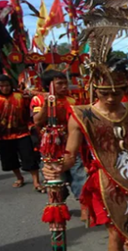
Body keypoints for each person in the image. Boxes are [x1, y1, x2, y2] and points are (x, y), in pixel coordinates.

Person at [43, 58, 128, 251]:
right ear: (95, 90)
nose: (110, 98)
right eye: (104, 93)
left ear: (124, 90)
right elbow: (70, 154)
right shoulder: (82, 115)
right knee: (115, 234)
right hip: (107, 182)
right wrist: (57, 166)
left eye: (116, 93)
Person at [31, 70, 86, 202]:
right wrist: (47, 104)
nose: (64, 87)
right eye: (59, 84)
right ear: (48, 85)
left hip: (71, 144)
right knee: (55, 177)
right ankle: (58, 205)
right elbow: (37, 121)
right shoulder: (38, 99)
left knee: (79, 175)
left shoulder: (72, 100)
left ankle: (84, 204)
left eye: (65, 83)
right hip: (50, 147)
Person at [0, 74, 42, 191]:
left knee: (29, 157)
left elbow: (33, 101)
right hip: (3, 136)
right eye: (1, 86)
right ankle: (19, 178)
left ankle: (36, 182)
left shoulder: (20, 96)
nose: (5, 88)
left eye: (7, 85)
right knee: (10, 160)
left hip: (23, 133)